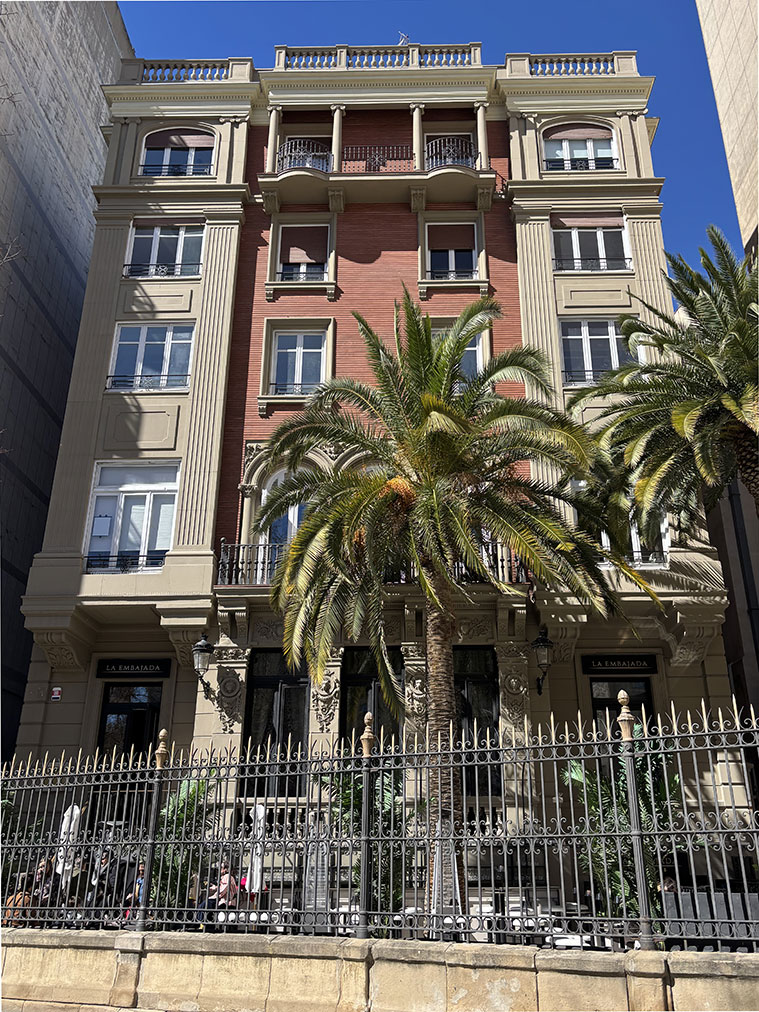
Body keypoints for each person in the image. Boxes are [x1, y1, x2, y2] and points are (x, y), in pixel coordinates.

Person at [196, 861, 237, 927]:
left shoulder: (227, 876)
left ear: (226, 869)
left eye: (221, 867)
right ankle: (204, 923)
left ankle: (202, 923)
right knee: (206, 905)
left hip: (225, 901)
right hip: (223, 899)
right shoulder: (228, 877)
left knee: (204, 905)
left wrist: (215, 894)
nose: (219, 869)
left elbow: (223, 889)